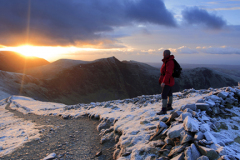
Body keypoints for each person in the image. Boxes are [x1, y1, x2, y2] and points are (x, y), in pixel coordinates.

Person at [157, 50, 175, 115]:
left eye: (163, 53)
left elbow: (168, 73)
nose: (163, 54)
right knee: (169, 93)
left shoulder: (169, 62)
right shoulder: (168, 61)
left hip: (168, 81)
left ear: (165, 54)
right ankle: (169, 106)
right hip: (170, 80)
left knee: (164, 94)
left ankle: (164, 110)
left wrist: (164, 82)